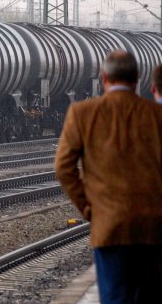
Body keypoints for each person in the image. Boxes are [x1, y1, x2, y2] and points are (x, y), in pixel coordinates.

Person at [55, 50, 162, 303]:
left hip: (109, 227)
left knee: (115, 297)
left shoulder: (82, 113)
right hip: (153, 229)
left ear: (104, 78)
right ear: (138, 80)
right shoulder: (156, 115)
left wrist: (90, 208)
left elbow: (63, 168)